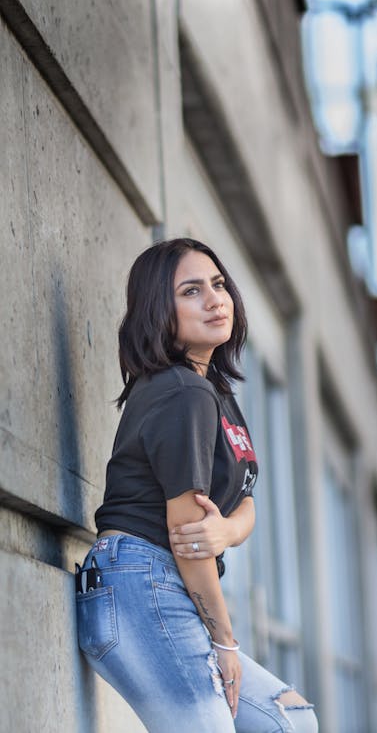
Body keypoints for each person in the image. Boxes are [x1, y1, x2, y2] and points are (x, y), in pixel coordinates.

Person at [75, 238, 318, 733]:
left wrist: (228, 532)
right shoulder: (182, 392)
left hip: (163, 585)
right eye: (191, 291)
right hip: (143, 584)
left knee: (288, 720)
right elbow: (188, 535)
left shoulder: (214, 392)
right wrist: (224, 641)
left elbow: (244, 496)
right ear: (159, 313)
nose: (215, 299)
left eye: (219, 284)